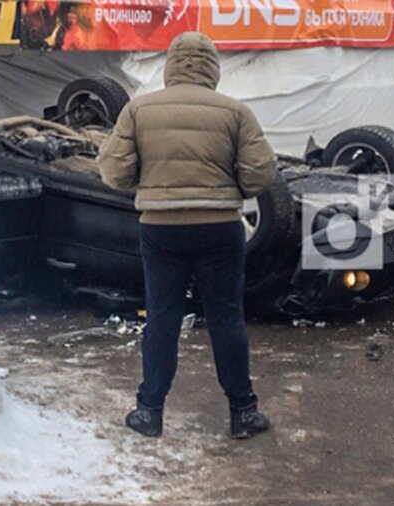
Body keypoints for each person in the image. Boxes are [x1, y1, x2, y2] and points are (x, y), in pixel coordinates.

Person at [98, 32, 277, 439]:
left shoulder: (139, 110)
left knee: (162, 318)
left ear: (170, 66)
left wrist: (152, 183)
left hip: (160, 230)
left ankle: (149, 412)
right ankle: (243, 412)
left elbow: (114, 172)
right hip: (219, 229)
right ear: (213, 68)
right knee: (226, 318)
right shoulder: (235, 112)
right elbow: (260, 173)